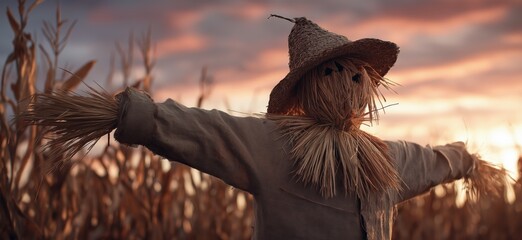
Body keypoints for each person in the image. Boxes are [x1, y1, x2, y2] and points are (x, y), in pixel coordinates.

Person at [113, 17, 505, 240]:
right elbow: (208, 130)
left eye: (356, 75)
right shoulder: (273, 145)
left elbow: (434, 161)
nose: (348, 82)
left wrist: (466, 160)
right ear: (308, 86)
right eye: (333, 72)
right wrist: (134, 116)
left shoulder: (387, 160)